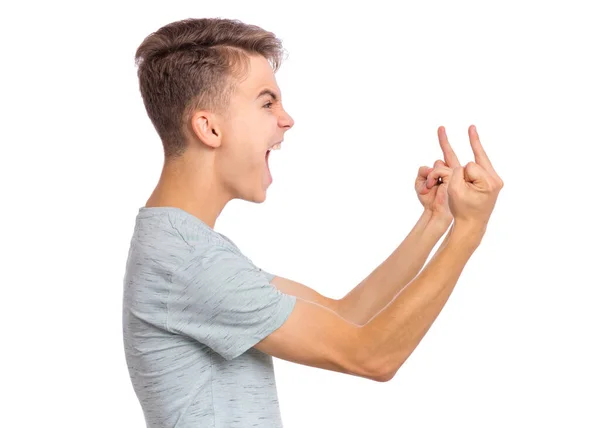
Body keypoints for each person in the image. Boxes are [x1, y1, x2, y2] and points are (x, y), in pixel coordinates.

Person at [122, 17, 504, 428]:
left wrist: (436, 219)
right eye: (267, 102)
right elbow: (370, 355)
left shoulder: (185, 246)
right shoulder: (188, 262)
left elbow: (347, 315)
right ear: (209, 128)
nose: (287, 119)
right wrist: (469, 230)